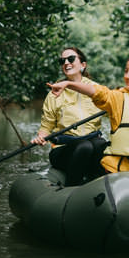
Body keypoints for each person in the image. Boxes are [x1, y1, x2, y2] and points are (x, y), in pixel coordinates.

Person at [48, 54, 129, 176]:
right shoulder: (118, 97)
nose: (127, 76)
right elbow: (95, 91)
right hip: (112, 171)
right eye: (126, 71)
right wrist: (68, 84)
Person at [32, 47, 108, 186]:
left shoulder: (96, 89)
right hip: (64, 149)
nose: (66, 62)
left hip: (92, 143)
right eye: (62, 61)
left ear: (83, 65)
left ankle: (96, 181)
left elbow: (114, 112)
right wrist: (41, 136)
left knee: (100, 143)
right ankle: (72, 187)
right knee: (84, 147)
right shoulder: (54, 93)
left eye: (71, 59)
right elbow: (46, 126)